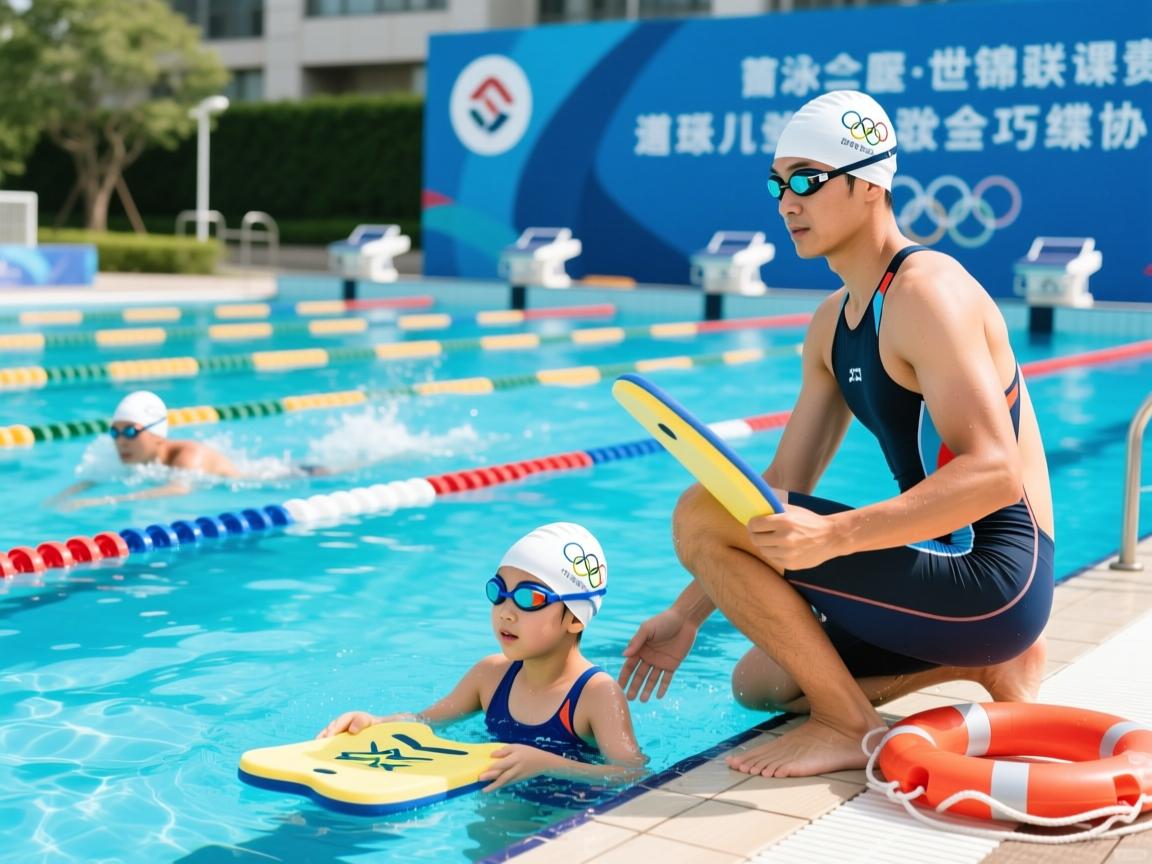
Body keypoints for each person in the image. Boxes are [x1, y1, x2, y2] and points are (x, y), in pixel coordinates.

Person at [618, 90, 1054, 779]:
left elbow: (995, 471)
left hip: (997, 578)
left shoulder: (927, 293)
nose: (786, 201)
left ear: (870, 183)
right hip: (948, 583)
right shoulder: (831, 325)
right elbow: (777, 490)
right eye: (777, 183)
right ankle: (979, 659)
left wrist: (838, 536)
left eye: (806, 181)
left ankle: (848, 725)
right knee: (763, 682)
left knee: (697, 509)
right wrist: (687, 613)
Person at [319, 522, 647, 792]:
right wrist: (375, 722)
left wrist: (546, 763)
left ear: (575, 617)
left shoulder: (595, 694)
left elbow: (631, 773)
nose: (505, 612)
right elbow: (425, 721)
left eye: (528, 598)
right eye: (498, 592)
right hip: (498, 802)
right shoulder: (490, 676)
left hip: (568, 815)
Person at [51, 390, 239, 510]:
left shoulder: (189, 455)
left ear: (157, 434)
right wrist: (61, 497)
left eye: (131, 432)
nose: (121, 441)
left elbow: (179, 489)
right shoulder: (126, 454)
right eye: (115, 432)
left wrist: (102, 501)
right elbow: (96, 478)